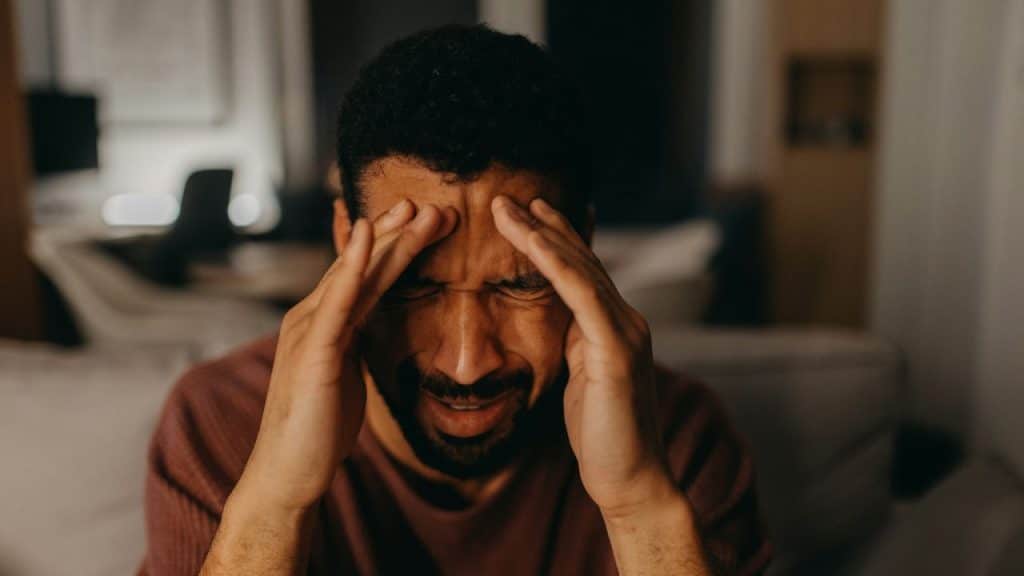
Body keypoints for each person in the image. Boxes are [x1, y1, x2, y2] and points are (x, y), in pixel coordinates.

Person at [140, 24, 770, 576]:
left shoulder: (679, 437)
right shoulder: (218, 422)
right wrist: (275, 500)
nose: (467, 363)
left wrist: (638, 503)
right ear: (346, 242)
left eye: (519, 285)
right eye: (413, 285)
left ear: (581, 250)